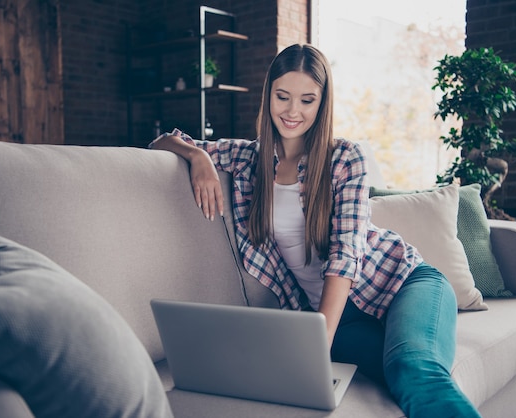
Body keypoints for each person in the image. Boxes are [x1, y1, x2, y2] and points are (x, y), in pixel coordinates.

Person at [150, 43, 481, 418]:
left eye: (307, 100)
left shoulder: (345, 158)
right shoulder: (247, 158)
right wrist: (198, 156)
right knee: (385, 374)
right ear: (268, 95)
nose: (293, 111)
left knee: (413, 370)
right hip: (340, 320)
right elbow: (162, 141)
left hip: (402, 284)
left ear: (322, 103)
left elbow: (345, 254)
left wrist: (320, 338)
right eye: (283, 96)